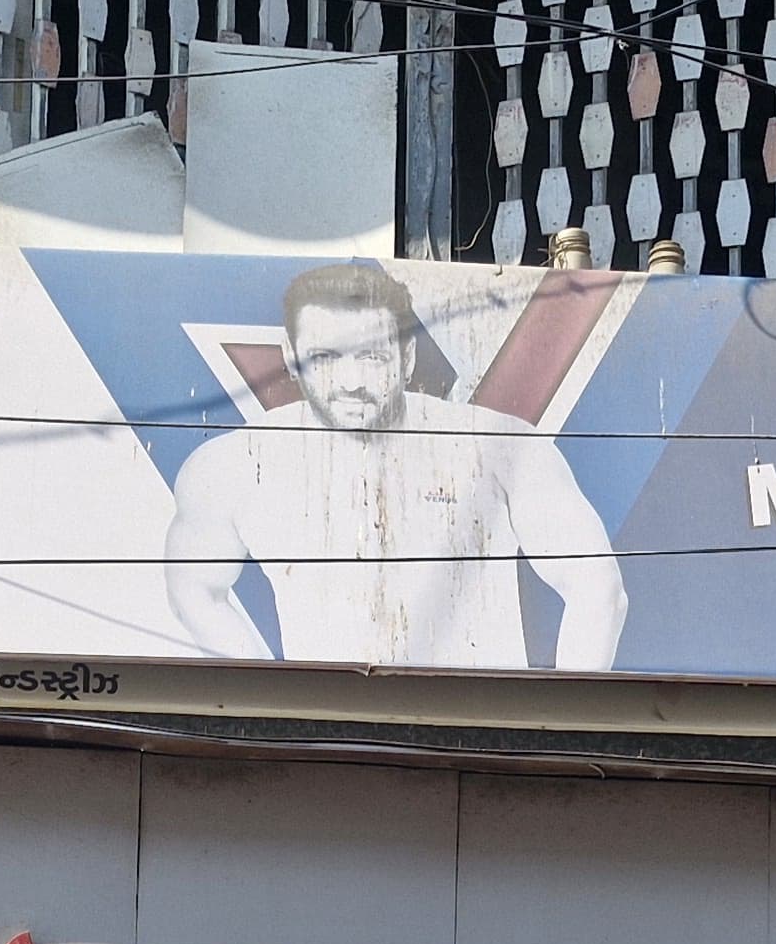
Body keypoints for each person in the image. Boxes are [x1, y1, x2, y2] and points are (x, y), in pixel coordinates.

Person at [163, 256, 626, 673]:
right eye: (324, 358)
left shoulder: (500, 445)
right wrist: (273, 705)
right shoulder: (232, 465)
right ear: (289, 357)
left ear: (407, 357)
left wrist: (559, 725)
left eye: (371, 357)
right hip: (332, 741)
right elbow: (195, 590)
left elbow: (598, 586)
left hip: (481, 737)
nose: (350, 382)